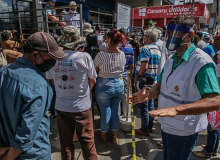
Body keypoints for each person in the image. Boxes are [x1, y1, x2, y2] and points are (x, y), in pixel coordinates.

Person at [128, 15, 220, 160]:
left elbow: (214, 101)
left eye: (175, 34)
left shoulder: (201, 63)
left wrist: (176, 110)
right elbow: (159, 88)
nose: (170, 38)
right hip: (166, 126)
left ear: (189, 36)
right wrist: (147, 94)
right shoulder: (171, 59)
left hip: (184, 130)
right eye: (168, 34)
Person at [0, 31, 67, 160]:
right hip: (31, 154)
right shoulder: (39, 85)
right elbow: (27, 130)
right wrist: (9, 156)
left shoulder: (3, 72)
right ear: (35, 55)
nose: (53, 62)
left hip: (7, 144)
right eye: (50, 58)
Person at [46, 26, 97, 160]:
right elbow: (93, 80)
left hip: (61, 106)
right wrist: (85, 92)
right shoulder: (84, 57)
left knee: (66, 143)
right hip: (82, 106)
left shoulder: (53, 59)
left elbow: (51, 81)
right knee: (87, 142)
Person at [94, 29, 126, 144]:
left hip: (104, 85)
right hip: (119, 84)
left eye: (106, 38)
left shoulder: (101, 54)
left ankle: (103, 134)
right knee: (115, 111)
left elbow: (95, 68)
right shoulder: (122, 54)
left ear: (109, 40)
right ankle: (114, 136)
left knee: (105, 112)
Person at [192, 53, 220, 158]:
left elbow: (216, 86)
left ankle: (207, 151)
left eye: (219, 54)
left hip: (216, 101)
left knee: (212, 126)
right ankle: (213, 149)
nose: (217, 56)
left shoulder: (219, 67)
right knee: (216, 125)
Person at [134, 28, 161, 136]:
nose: (144, 38)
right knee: (150, 105)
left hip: (144, 81)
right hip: (153, 80)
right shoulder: (158, 49)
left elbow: (144, 66)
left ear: (148, 38)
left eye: (145, 36)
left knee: (143, 106)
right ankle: (149, 126)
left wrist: (138, 76)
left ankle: (144, 129)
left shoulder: (145, 49)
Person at [119, 28, 134, 117]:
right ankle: (126, 114)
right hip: (125, 75)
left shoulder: (116, 47)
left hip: (116, 75)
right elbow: (131, 65)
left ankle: (118, 114)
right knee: (126, 95)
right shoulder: (130, 48)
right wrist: (131, 75)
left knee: (117, 97)